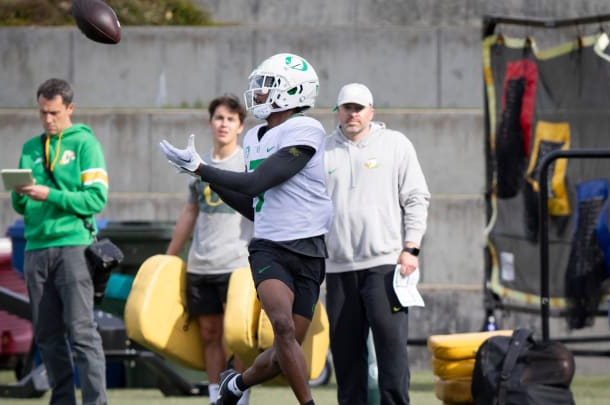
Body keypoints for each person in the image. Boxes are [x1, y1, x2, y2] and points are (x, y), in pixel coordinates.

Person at [159, 52, 331, 405]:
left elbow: (255, 183)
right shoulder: (254, 136)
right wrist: (199, 173)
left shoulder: (306, 129)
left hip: (310, 249)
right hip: (269, 248)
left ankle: (235, 385)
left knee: (287, 350)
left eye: (268, 86)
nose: (259, 93)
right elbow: (254, 206)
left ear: (294, 91)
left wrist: (202, 169)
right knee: (281, 326)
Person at [323, 83, 430, 405]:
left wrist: (411, 247)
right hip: (339, 267)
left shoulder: (395, 144)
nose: (352, 114)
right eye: (347, 107)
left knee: (391, 351)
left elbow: (416, 198)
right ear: (337, 111)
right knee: (345, 355)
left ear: (372, 111)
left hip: (385, 265)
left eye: (359, 108)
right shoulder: (322, 150)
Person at [11, 78, 109, 405]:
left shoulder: (85, 145)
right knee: (47, 336)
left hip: (74, 247)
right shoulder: (30, 148)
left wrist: (47, 193)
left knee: (81, 333)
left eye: (54, 113)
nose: (48, 120)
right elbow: (22, 206)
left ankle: (96, 402)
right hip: (35, 248)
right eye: (42, 113)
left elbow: (96, 199)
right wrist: (21, 195)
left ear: (70, 108)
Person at [165, 95, 253, 405]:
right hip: (201, 265)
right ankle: (216, 396)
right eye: (219, 117)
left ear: (240, 126)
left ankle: (239, 394)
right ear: (210, 122)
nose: (224, 123)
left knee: (238, 337)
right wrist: (169, 256)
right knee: (209, 335)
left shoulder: (248, 163)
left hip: (238, 265)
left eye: (231, 119)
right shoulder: (197, 164)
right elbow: (189, 213)